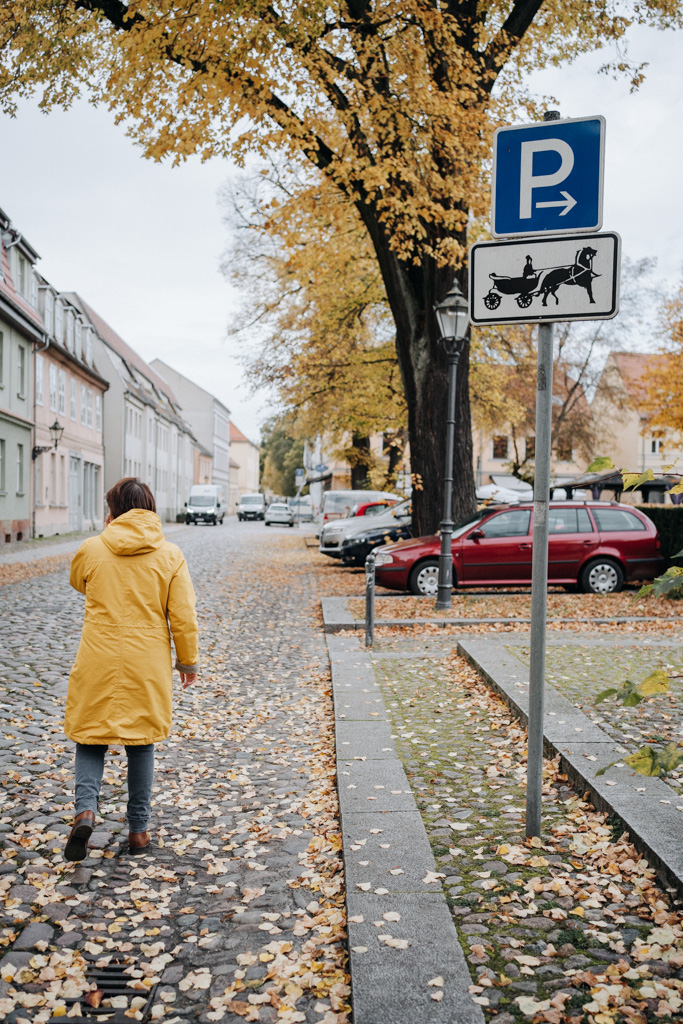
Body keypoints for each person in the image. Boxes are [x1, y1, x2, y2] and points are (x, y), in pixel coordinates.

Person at [63, 478, 198, 861]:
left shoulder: (92, 549)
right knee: (141, 745)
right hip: (147, 662)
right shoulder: (170, 555)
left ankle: (86, 811)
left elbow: (79, 582)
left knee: (90, 737)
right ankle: (138, 832)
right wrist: (187, 661)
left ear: (113, 510)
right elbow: (183, 616)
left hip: (98, 657)